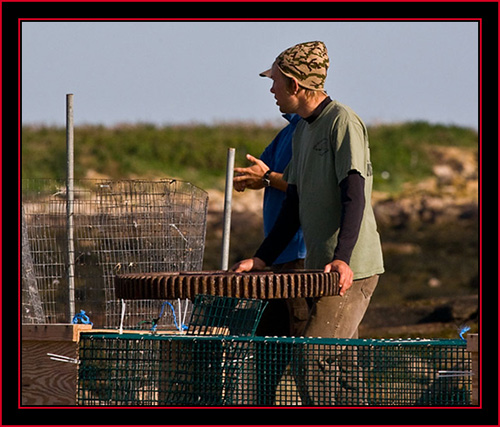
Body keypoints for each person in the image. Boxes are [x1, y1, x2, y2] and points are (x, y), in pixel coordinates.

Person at [231, 41, 384, 404]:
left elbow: (354, 194)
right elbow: (294, 202)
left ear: (296, 86)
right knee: (345, 369)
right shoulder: (302, 130)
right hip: (320, 268)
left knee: (311, 357)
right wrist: (262, 258)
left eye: (276, 81)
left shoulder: (342, 122)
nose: (271, 89)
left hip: (351, 270)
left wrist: (344, 258)